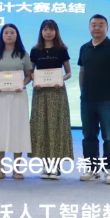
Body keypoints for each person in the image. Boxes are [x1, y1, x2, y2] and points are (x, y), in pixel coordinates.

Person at [78, 14, 110, 185]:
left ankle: (109, 170)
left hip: (108, 99)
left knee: (109, 136)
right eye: (93, 25)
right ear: (89, 27)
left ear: (107, 27)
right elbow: (82, 72)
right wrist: (83, 93)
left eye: (101, 24)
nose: (97, 28)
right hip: (87, 100)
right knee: (88, 136)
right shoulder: (84, 48)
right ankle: (92, 169)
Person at [29, 19, 73, 180]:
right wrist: (34, 80)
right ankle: (46, 165)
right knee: (42, 127)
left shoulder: (62, 49)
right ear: (41, 32)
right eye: (45, 29)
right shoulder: (35, 50)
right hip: (40, 93)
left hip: (57, 92)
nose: (48, 32)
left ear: (56, 31)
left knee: (57, 126)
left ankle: (57, 166)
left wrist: (61, 79)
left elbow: (69, 73)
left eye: (51, 29)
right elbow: (30, 72)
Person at [0, 23, 32, 180]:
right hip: (0, 97)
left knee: (18, 130)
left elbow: (29, 75)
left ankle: (17, 169)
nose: (9, 35)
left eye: (12, 32)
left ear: (16, 35)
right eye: (6, 32)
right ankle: (1, 169)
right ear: (2, 36)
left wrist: (23, 84)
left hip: (18, 96)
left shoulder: (23, 54)